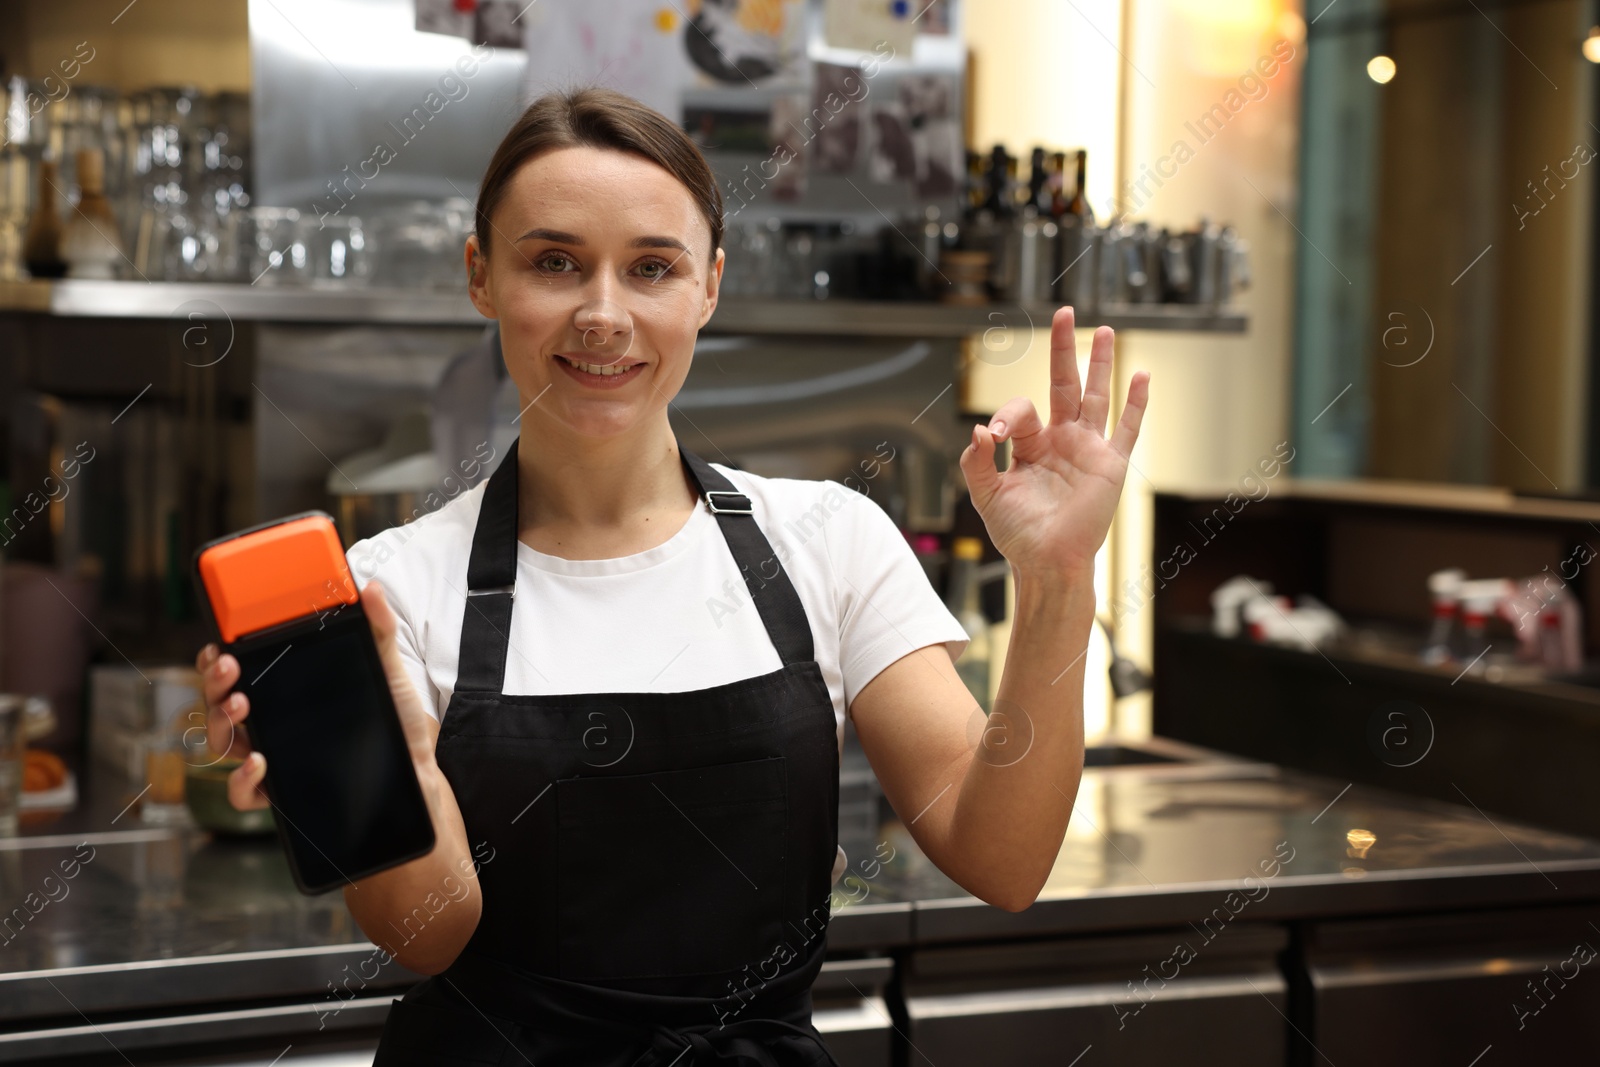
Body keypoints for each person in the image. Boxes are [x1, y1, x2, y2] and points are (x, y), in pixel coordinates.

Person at [195, 86, 1149, 1066]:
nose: (603, 314)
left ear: (709, 286)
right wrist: (399, 772)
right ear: (481, 276)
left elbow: (1002, 856)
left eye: (651, 267)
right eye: (554, 261)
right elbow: (425, 935)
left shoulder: (828, 538)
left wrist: (1058, 579)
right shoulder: (389, 589)